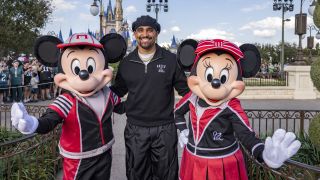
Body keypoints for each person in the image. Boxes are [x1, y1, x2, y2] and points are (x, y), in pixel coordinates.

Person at [110, 15, 189, 180]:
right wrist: (123, 107)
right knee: (136, 174)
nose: (144, 34)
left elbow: (186, 92)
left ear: (157, 33)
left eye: (149, 30)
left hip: (165, 129)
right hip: (135, 130)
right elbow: (116, 92)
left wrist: (181, 114)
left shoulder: (170, 59)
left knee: (167, 175)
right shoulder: (127, 63)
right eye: (140, 30)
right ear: (134, 34)